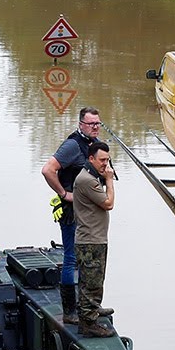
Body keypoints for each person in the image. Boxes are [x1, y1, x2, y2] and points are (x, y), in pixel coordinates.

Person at [41, 107, 102, 324]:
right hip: (71, 211)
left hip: (90, 212)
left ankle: (88, 305)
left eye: (98, 123)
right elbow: (48, 169)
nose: (95, 127)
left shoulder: (93, 145)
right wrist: (63, 193)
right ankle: (70, 311)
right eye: (91, 124)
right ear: (81, 124)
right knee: (71, 258)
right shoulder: (72, 145)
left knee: (89, 258)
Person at [72, 140, 115, 336]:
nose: (105, 164)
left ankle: (93, 309)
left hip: (95, 238)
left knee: (95, 280)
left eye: (107, 160)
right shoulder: (87, 180)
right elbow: (108, 203)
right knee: (92, 282)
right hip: (90, 240)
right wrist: (109, 181)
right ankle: (88, 324)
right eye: (101, 160)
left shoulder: (90, 176)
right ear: (91, 158)